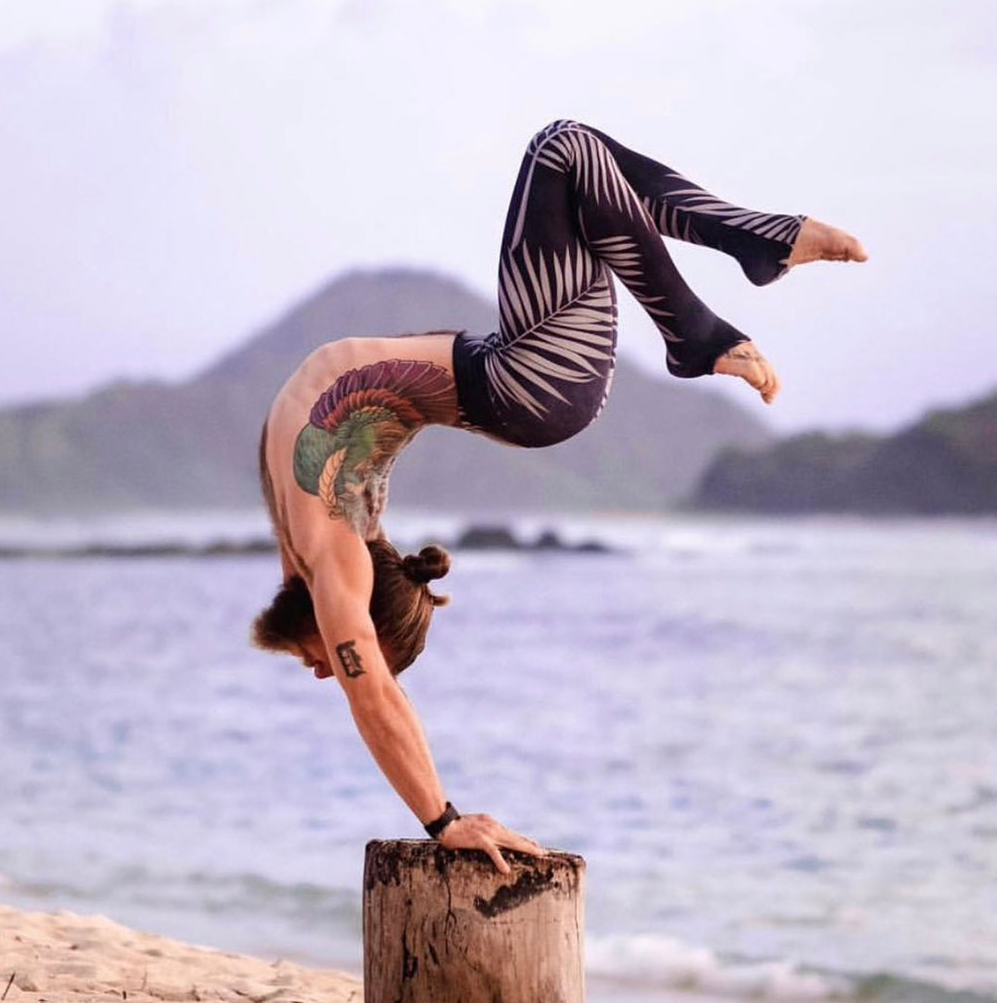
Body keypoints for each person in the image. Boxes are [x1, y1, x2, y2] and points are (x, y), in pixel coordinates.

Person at [252, 120, 867, 873]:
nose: (325, 670)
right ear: (363, 624)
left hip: (526, 370)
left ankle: (756, 248)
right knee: (564, 149)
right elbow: (372, 691)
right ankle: (702, 322)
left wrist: (331, 638)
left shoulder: (312, 544)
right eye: (336, 661)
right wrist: (443, 820)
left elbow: (362, 678)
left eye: (326, 660)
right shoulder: (334, 545)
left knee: (580, 166)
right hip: (532, 380)